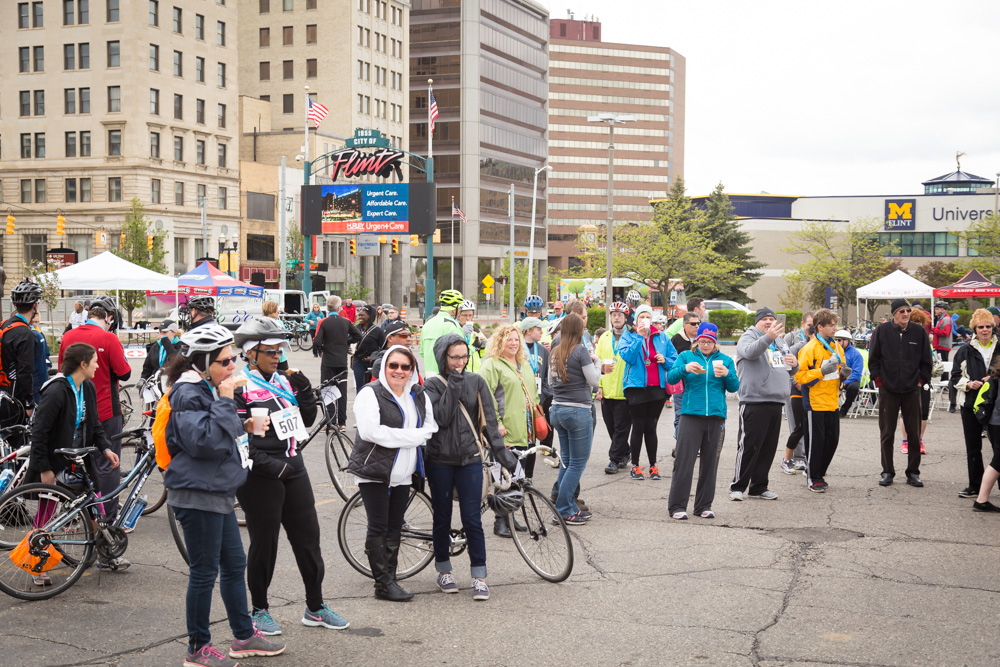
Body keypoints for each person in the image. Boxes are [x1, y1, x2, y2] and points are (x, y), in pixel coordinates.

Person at [162, 324, 286, 666]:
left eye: (233, 359)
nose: (233, 366)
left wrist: (243, 425)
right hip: (197, 493)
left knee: (234, 564)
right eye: (225, 361)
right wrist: (228, 400)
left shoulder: (206, 387)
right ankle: (197, 648)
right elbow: (204, 443)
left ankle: (243, 636)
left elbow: (214, 432)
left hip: (216, 490)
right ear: (203, 363)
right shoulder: (188, 392)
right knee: (204, 572)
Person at [231, 319, 348, 635]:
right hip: (260, 474)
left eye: (279, 350)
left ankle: (315, 607)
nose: (277, 356)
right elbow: (238, 438)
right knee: (264, 544)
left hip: (293, 467)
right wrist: (268, 465)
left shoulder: (283, 381)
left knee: (309, 540)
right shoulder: (239, 386)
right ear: (251, 353)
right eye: (269, 351)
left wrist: (305, 390)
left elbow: (305, 420)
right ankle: (259, 610)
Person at [423, 334, 519, 601]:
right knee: (442, 518)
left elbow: (489, 422)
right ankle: (444, 570)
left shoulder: (476, 381)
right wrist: (454, 382)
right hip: (439, 461)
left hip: (470, 459)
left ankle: (479, 576)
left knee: (472, 519)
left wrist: (502, 455)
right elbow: (441, 418)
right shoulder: (432, 385)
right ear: (443, 357)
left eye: (464, 356)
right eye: (454, 357)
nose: (460, 362)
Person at [348, 345, 438, 602]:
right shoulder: (370, 393)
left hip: (405, 473)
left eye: (405, 367)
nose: (399, 371)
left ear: (412, 370)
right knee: (378, 526)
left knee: (395, 526)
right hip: (375, 470)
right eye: (393, 365)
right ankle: (383, 584)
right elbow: (370, 432)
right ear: (384, 366)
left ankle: (391, 576)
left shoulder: (417, 394)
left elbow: (430, 428)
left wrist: (405, 437)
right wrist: (412, 437)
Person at [26, 342, 119, 584]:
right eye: (95, 362)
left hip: (80, 459)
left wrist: (106, 448)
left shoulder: (87, 386)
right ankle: (37, 566)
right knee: (46, 515)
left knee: (96, 507)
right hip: (54, 461)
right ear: (83, 364)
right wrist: (45, 469)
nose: (97, 366)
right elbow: (39, 434)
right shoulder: (56, 391)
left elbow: (94, 424)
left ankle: (104, 554)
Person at [59, 296, 132, 529]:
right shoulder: (109, 338)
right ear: (109, 318)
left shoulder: (68, 336)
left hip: (75, 412)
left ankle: (74, 516)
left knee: (77, 465)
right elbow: (125, 373)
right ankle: (107, 520)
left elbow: (62, 371)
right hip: (106, 410)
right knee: (108, 466)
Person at [667, 323, 739, 520]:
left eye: (709, 342)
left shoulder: (725, 360)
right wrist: (684, 369)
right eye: (702, 341)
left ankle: (703, 505)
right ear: (696, 341)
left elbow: (734, 387)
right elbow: (671, 378)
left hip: (716, 417)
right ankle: (677, 506)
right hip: (691, 415)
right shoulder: (686, 356)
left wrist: (727, 374)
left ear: (715, 343)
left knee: (710, 463)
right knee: (684, 462)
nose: (705, 345)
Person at [730, 307, 797, 501]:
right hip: (754, 400)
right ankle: (737, 486)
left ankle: (759, 487)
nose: (768, 322)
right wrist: (768, 337)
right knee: (749, 446)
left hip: (775, 400)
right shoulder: (748, 337)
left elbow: (787, 367)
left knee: (768, 448)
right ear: (757, 322)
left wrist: (795, 364)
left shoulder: (779, 341)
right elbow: (750, 352)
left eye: (772, 319)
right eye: (764, 319)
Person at [479, 324, 540, 537]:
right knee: (504, 476)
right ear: (499, 342)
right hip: (506, 431)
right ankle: (500, 521)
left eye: (516, 339)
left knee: (518, 477)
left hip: (525, 429)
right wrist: (496, 423)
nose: (513, 343)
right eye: (509, 339)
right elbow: (485, 397)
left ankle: (511, 518)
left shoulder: (523, 363)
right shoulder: (492, 365)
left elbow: (532, 392)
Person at [868, 299, 933, 488]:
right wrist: (879, 381)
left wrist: (920, 381)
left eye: (907, 310)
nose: (905, 314)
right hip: (888, 389)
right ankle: (887, 471)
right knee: (887, 433)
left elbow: (926, 361)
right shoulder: (881, 331)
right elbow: (873, 359)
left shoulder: (919, 332)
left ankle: (913, 472)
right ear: (894, 313)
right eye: (901, 311)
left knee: (914, 433)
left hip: (912, 390)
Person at [548, 313, 600, 525]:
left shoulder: (555, 352)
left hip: (557, 409)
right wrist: (597, 363)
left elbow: (550, 383)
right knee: (577, 463)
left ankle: (566, 506)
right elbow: (594, 382)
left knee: (567, 461)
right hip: (578, 410)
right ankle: (563, 510)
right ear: (579, 331)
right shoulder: (580, 351)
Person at [617, 304, 678, 480]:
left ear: (652, 319)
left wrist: (664, 360)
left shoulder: (662, 336)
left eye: (648, 317)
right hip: (635, 387)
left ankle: (653, 466)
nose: (645, 320)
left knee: (651, 427)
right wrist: (639, 336)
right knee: (638, 426)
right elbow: (628, 357)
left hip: (657, 388)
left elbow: (674, 360)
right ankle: (635, 466)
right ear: (636, 320)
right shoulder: (629, 335)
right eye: (641, 317)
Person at [794, 308, 848, 493]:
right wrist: (821, 372)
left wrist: (844, 374)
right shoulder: (809, 348)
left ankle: (820, 471)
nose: (835, 328)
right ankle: (813, 476)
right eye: (831, 325)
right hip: (815, 403)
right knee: (816, 443)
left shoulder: (837, 347)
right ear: (820, 327)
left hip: (832, 401)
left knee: (832, 441)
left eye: (835, 325)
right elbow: (800, 377)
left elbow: (840, 369)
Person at [951, 308, 1000, 498]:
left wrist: (993, 377)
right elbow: (955, 377)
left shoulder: (999, 347)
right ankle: (975, 486)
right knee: (973, 448)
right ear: (974, 329)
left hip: (995, 405)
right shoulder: (965, 350)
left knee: (998, 448)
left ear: (993, 327)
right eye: (981, 327)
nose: (985, 330)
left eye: (988, 326)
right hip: (971, 403)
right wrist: (968, 383)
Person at [314, 295, 362, 432]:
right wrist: (346, 342)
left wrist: (322, 348)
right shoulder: (346, 322)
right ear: (339, 307)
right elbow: (358, 336)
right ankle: (342, 423)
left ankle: (331, 422)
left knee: (328, 391)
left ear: (327, 308)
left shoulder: (323, 322)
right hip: (341, 361)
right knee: (342, 392)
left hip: (328, 361)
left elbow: (317, 341)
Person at [598, 302, 632, 474]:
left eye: (619, 315)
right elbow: (597, 363)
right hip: (607, 391)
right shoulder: (604, 337)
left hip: (624, 392)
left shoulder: (632, 337)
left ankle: (614, 460)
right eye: (613, 315)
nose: (616, 318)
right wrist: (599, 386)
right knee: (611, 428)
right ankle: (625, 451)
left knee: (621, 428)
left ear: (626, 318)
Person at [1, 279, 43, 417]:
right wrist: (29, 403)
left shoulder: (4, 325)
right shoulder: (25, 333)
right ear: (35, 305)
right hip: (14, 399)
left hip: (2, 391)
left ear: (15, 304)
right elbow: (25, 371)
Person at [780, 312, 814, 473]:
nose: (811, 328)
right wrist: (796, 382)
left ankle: (807, 457)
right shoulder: (793, 339)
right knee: (797, 425)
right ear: (802, 324)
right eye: (809, 325)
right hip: (794, 388)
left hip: (810, 389)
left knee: (808, 426)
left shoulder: (819, 343)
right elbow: (784, 359)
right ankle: (795, 457)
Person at [899, 308, 933, 454]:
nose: (918, 326)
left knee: (923, 411)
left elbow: (929, 361)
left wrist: (924, 377)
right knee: (906, 412)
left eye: (921, 323)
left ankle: (919, 440)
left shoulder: (926, 340)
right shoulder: (903, 339)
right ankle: (906, 441)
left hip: (923, 380)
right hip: (907, 380)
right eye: (915, 323)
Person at [519, 317, 552, 459]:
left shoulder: (543, 350)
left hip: (539, 399)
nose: (541, 332)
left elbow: (547, 375)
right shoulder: (518, 349)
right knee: (525, 435)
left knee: (539, 431)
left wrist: (546, 394)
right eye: (538, 329)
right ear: (528, 331)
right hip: (522, 400)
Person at [973, 355, 1000, 512]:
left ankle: (981, 500)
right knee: (998, 461)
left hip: (995, 422)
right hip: (997, 422)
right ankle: (981, 500)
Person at [669, 311, 701, 443]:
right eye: (693, 324)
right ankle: (680, 444)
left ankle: (694, 443)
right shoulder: (676, 339)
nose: (696, 326)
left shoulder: (702, 340)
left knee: (696, 415)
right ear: (685, 325)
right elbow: (671, 361)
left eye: (698, 323)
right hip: (680, 384)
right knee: (680, 414)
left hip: (698, 384)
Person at [420, 290, 466, 376]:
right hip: (447, 377)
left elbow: (422, 352)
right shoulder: (453, 325)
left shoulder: (427, 324)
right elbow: (462, 355)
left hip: (429, 377)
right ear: (454, 310)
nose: (460, 311)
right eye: (460, 308)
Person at [834, 329, 865, 418]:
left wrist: (845, 382)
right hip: (836, 377)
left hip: (850, 379)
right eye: (835, 340)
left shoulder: (856, 354)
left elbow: (856, 373)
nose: (836, 342)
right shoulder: (833, 351)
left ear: (846, 341)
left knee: (854, 387)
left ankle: (844, 409)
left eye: (839, 340)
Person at [931, 302, 955, 412]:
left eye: (937, 309)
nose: (935, 311)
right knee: (942, 364)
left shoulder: (946, 319)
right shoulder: (942, 318)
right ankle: (943, 384)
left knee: (943, 365)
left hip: (943, 346)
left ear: (942, 309)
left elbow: (946, 333)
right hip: (940, 345)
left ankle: (945, 386)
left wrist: (933, 330)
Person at [353, 304, 386, 387]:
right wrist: (350, 350)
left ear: (370, 316)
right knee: (360, 386)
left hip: (373, 363)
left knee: (373, 387)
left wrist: (373, 357)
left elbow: (384, 348)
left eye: (362, 315)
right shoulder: (356, 329)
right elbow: (349, 342)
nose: (360, 317)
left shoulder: (377, 331)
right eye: (359, 315)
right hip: (359, 362)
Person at [29, 312, 51, 406]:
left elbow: (46, 351)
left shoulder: (39, 333)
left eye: (36, 322)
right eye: (33, 322)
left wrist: (48, 362)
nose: (34, 324)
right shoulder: (32, 334)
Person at [458, 300, 487, 372]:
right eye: (465, 315)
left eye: (470, 315)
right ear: (458, 315)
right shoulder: (456, 329)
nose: (468, 318)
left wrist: (483, 346)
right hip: (462, 371)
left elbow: (481, 355)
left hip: (476, 372)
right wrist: (462, 333)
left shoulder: (476, 331)